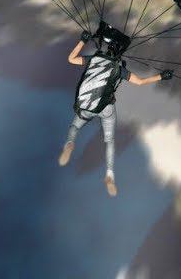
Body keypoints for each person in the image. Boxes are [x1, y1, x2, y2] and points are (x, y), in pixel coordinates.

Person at [59, 21, 172, 196]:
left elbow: (71, 59)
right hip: (105, 107)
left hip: (87, 105)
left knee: (75, 126)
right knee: (109, 140)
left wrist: (82, 41)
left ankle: (69, 143)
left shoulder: (93, 60)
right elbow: (140, 82)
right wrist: (161, 76)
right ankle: (109, 174)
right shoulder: (119, 70)